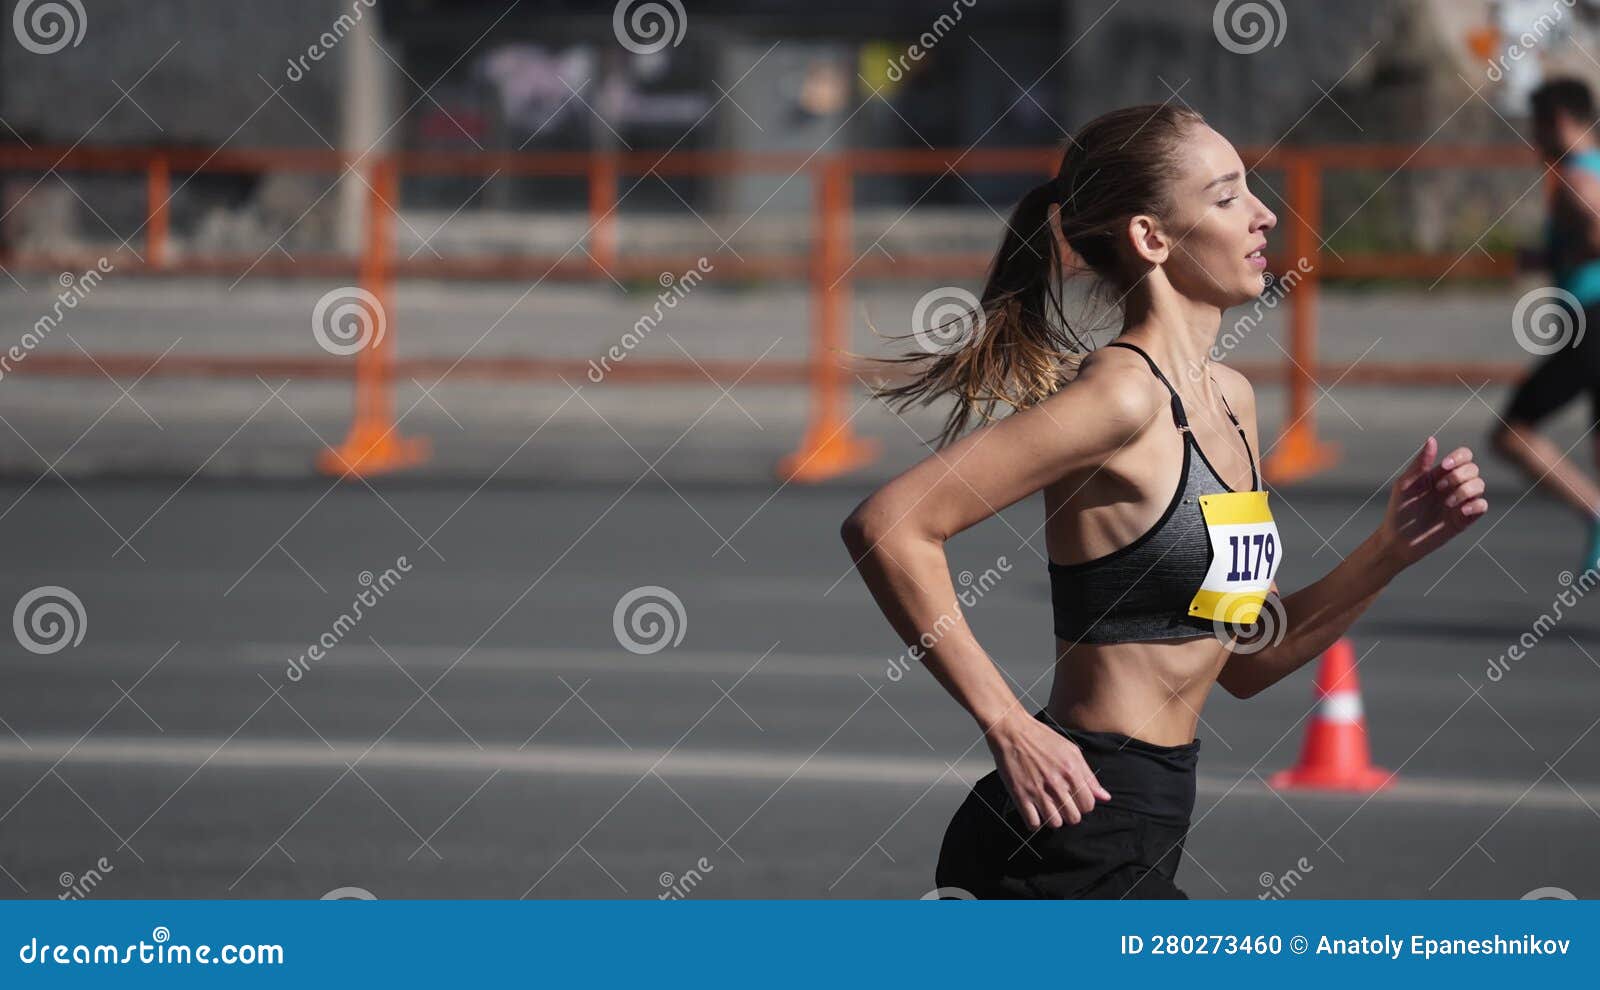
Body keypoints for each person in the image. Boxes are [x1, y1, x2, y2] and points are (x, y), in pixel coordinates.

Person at [839, 104, 1489, 899]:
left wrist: (1390, 549)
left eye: (1250, 189)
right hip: (1073, 828)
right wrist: (1008, 725)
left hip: (1143, 819)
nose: (1263, 215)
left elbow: (1249, 659)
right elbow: (890, 526)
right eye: (1225, 198)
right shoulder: (1121, 400)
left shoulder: (1233, 401)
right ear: (1151, 238)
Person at [1492, 76, 1600, 573]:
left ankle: (1597, 516)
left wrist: (1577, 247)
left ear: (1558, 122)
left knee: (1512, 434)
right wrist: (1549, 254)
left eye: (1537, 127)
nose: (1533, 141)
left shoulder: (1577, 178)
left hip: (1592, 322)